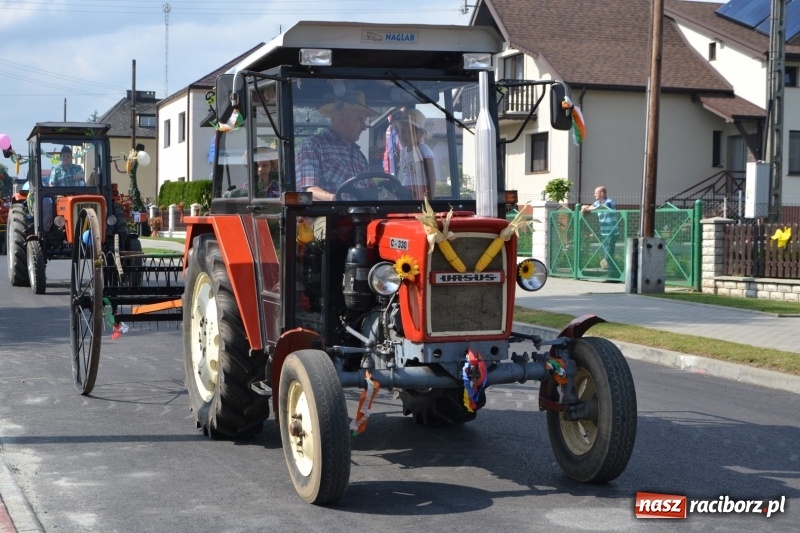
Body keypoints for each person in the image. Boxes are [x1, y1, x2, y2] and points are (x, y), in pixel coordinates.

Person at [295, 90, 378, 201]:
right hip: (329, 215)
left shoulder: (360, 156)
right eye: (360, 120)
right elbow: (308, 190)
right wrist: (335, 200)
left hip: (361, 215)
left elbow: (371, 190)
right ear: (341, 117)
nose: (364, 127)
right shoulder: (314, 146)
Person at [395, 108, 436, 200]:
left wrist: (430, 201)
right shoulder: (403, 152)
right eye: (403, 131)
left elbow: (431, 177)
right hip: (405, 193)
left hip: (419, 194)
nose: (405, 136)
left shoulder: (423, 150)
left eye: (411, 132)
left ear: (420, 134)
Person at [582, 186, 620, 277]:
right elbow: (591, 207)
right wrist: (585, 207)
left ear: (602, 193)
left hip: (611, 233)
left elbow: (599, 208)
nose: (594, 194)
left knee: (608, 256)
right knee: (608, 255)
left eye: (596, 193)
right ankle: (614, 274)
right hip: (604, 233)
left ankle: (614, 275)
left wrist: (587, 208)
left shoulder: (609, 202)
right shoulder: (597, 202)